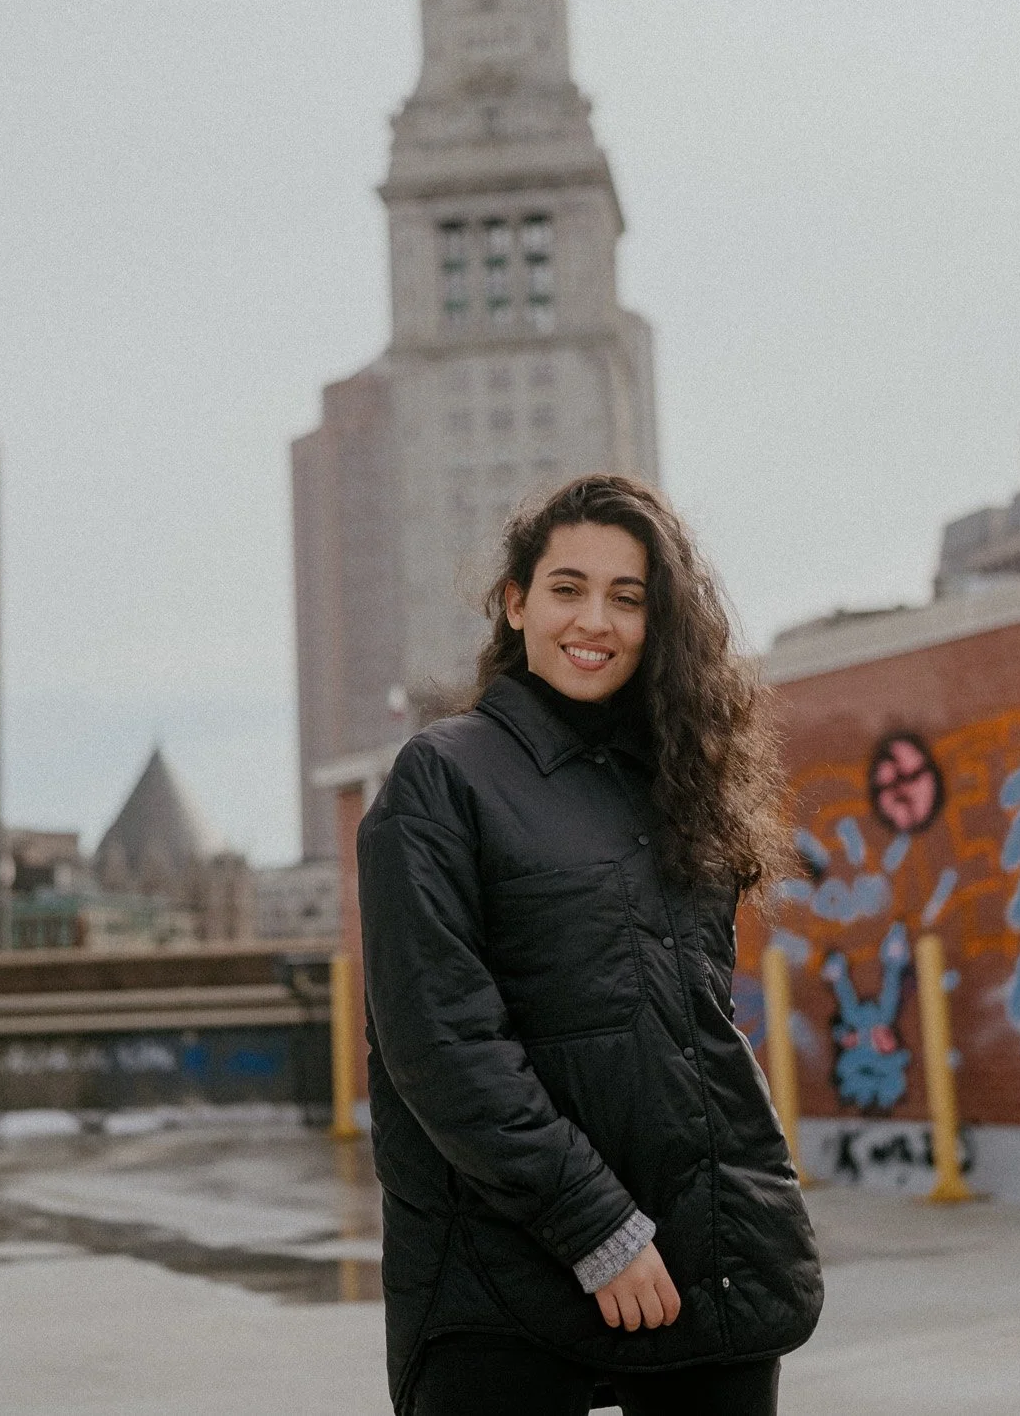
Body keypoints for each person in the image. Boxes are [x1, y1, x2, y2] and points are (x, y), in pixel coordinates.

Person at [357, 474, 821, 1416]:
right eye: (567, 588)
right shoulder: (442, 779)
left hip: (701, 1257)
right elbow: (441, 1044)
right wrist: (597, 1226)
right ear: (517, 602)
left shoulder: (681, 785)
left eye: (628, 596)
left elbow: (691, 1030)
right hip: (503, 1274)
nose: (594, 620)